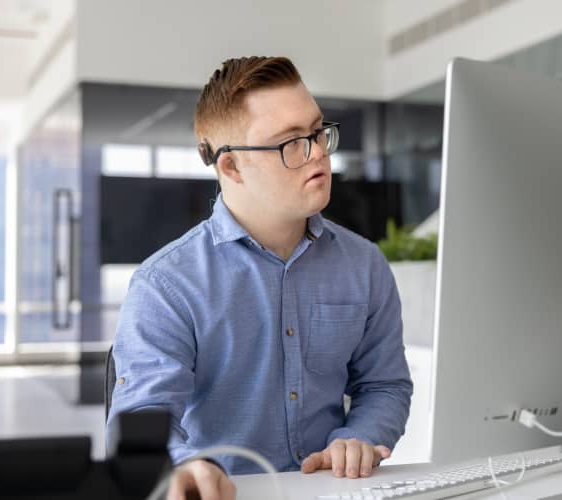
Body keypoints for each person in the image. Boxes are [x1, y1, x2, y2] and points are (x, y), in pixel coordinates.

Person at [107, 56, 413, 500]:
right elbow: (143, 416)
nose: (319, 153)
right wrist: (184, 464)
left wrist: (361, 436)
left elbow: (384, 385)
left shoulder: (364, 264)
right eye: (291, 143)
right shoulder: (166, 283)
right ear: (231, 167)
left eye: (317, 132)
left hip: (334, 492)